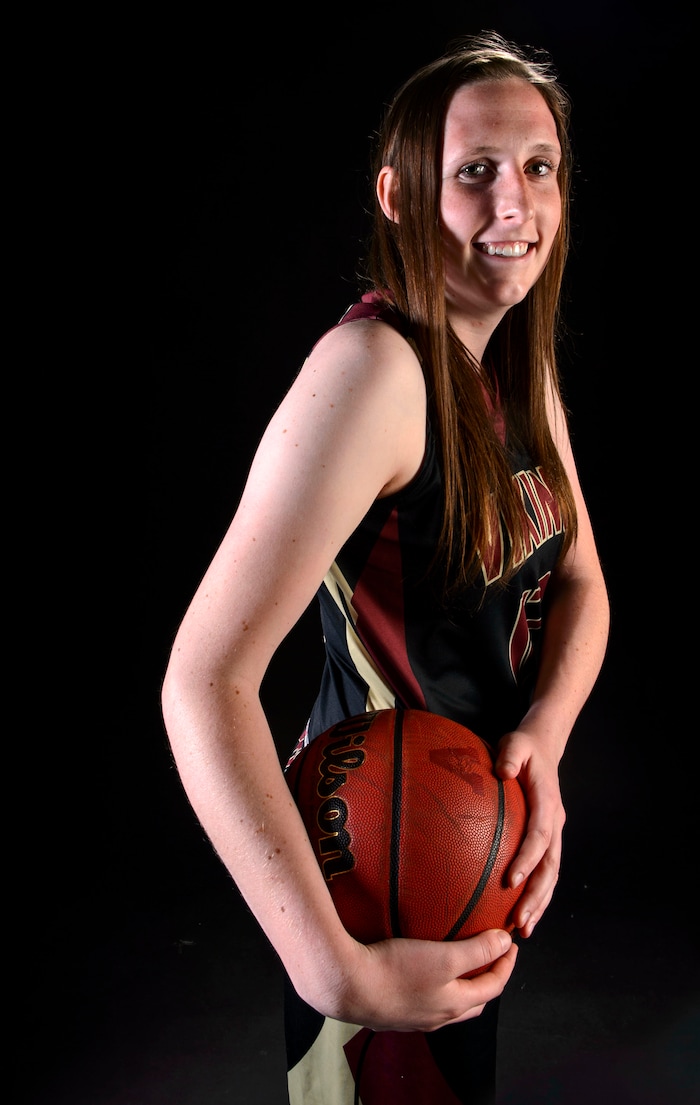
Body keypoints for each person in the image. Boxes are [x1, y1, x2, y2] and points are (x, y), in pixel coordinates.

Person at [161, 30, 610, 1105]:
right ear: (399, 197)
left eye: (538, 166)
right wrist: (332, 969)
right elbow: (201, 682)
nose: (515, 201)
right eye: (474, 171)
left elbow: (584, 584)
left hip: (467, 854)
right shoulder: (372, 373)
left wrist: (543, 744)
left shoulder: (517, 370)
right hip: (372, 875)